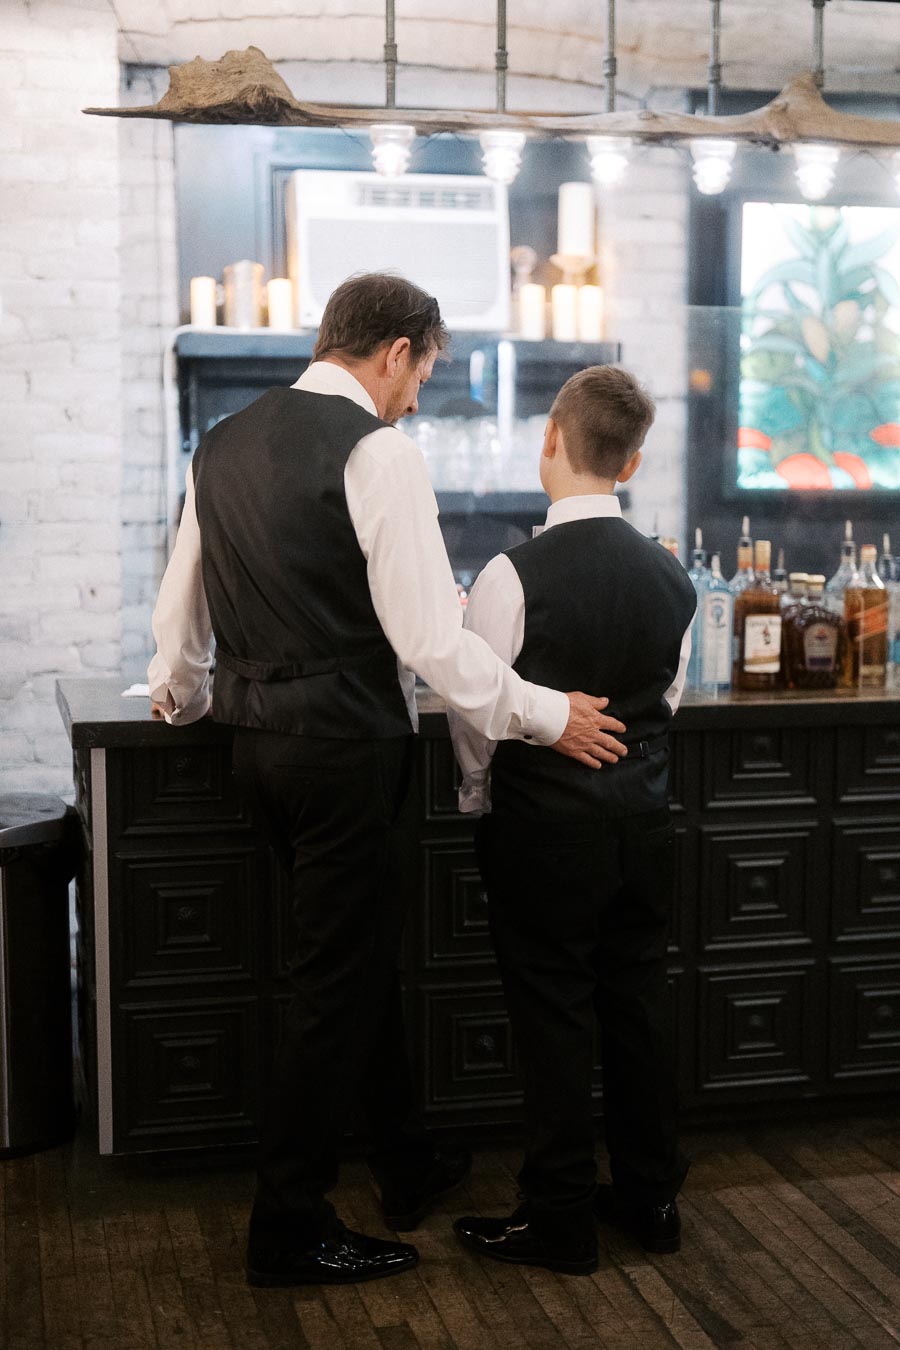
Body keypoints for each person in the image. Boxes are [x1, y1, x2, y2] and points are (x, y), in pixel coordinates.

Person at [147, 273, 629, 1288]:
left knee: (350, 968)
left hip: (256, 748)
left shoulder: (221, 445)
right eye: (424, 374)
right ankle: (286, 1228)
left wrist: (179, 695)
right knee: (333, 988)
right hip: (345, 753)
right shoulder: (380, 452)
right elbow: (429, 641)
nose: (418, 398)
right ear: (397, 351)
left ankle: (408, 1163)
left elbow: (181, 610)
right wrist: (547, 713)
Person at [449, 365, 696, 1276]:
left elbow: (475, 710)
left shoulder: (510, 576)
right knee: (634, 1008)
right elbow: (660, 699)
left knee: (553, 1018)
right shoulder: (673, 577)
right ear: (631, 460)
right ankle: (651, 1200)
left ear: (549, 438)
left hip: (545, 835)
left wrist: (478, 796)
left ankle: (557, 1219)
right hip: (643, 828)